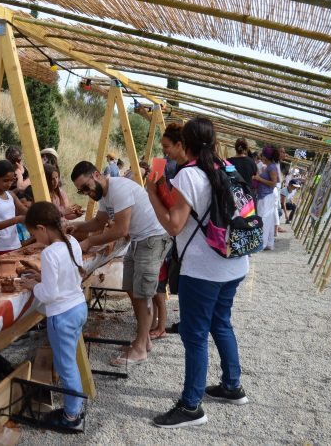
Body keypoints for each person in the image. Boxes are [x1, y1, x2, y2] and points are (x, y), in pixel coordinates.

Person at [146, 117, 249, 429]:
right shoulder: (223, 167)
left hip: (204, 269)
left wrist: (151, 192)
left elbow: (174, 225)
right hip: (234, 262)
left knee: (194, 334)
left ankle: (191, 406)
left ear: (185, 143)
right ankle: (232, 386)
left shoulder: (190, 174)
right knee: (221, 322)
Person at [70, 161, 172, 366]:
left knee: (142, 292)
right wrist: (73, 226)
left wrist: (88, 242)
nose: (86, 193)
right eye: (81, 191)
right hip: (139, 239)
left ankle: (141, 348)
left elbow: (120, 230)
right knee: (132, 290)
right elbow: (99, 222)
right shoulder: (105, 195)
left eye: (86, 187)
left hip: (152, 238)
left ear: (96, 175)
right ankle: (143, 341)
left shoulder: (118, 189)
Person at [20, 202, 87, 432]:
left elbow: (49, 294)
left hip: (62, 315)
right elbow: (69, 274)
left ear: (42, 227)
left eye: (34, 234)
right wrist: (41, 276)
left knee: (65, 365)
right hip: (78, 307)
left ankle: (72, 417)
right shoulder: (73, 242)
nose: (35, 239)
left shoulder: (49, 252)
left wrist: (33, 285)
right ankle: (74, 408)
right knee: (69, 363)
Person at [151, 123, 188, 339]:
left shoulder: (182, 170)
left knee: (163, 279)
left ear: (179, 144)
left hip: (171, 229)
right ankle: (163, 321)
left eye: (166, 146)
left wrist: (154, 192)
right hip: (173, 231)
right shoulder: (169, 165)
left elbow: (170, 210)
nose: (164, 150)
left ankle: (162, 323)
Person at [0, 160, 28, 257]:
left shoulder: (11, 194)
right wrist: (16, 219)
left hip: (15, 244)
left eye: (11, 180)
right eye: (5, 180)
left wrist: (42, 211)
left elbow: (24, 211)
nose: (9, 184)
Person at [252, 146, 281, 251]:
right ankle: (268, 243)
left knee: (263, 219)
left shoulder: (271, 167)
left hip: (266, 196)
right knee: (268, 220)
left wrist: (259, 179)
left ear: (265, 156)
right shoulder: (270, 166)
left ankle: (262, 244)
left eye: (262, 154)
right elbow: (276, 180)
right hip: (266, 195)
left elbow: (273, 183)